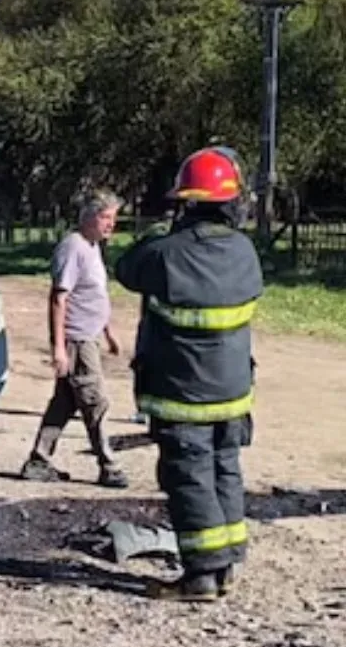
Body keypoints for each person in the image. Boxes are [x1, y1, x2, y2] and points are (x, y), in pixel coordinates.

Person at [114, 146, 262, 602]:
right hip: (234, 393)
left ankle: (200, 575)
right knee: (225, 471)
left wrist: (161, 229)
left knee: (189, 477)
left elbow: (126, 269)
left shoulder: (167, 254)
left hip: (183, 395)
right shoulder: (245, 252)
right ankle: (227, 564)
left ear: (186, 202)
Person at [20, 189, 129, 489]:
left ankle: (38, 460)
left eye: (113, 219)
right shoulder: (73, 248)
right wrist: (59, 347)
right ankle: (109, 465)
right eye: (106, 218)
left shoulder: (93, 247)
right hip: (77, 340)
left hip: (90, 337)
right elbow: (59, 299)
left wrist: (109, 332)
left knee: (65, 402)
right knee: (95, 401)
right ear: (90, 217)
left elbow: (96, 294)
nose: (111, 225)